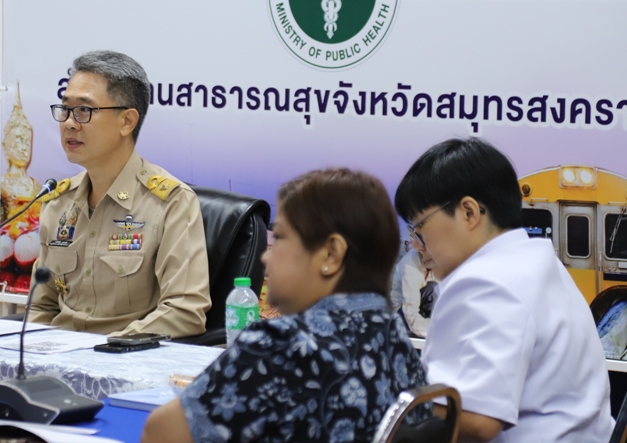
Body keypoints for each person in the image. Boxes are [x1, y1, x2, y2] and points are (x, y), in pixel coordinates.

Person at [142, 168, 430, 443]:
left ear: (330, 254)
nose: (266, 257)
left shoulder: (281, 345)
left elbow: (160, 433)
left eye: (278, 237)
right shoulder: (399, 344)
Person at [394, 138, 614, 442]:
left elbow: (473, 419)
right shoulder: (541, 264)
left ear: (469, 212)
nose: (417, 244)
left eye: (419, 228)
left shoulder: (482, 282)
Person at [27, 51, 210, 338]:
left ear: (127, 122)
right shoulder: (57, 203)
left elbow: (184, 311)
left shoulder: (170, 203)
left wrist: (109, 349)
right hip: (57, 361)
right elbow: (41, 307)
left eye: (84, 110)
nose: (69, 123)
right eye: (65, 109)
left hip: (128, 362)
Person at [389, 238, 437, 337]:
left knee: (437, 290)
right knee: (433, 289)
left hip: (419, 306)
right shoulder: (410, 266)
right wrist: (434, 331)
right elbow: (410, 312)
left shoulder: (436, 262)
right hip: (400, 313)